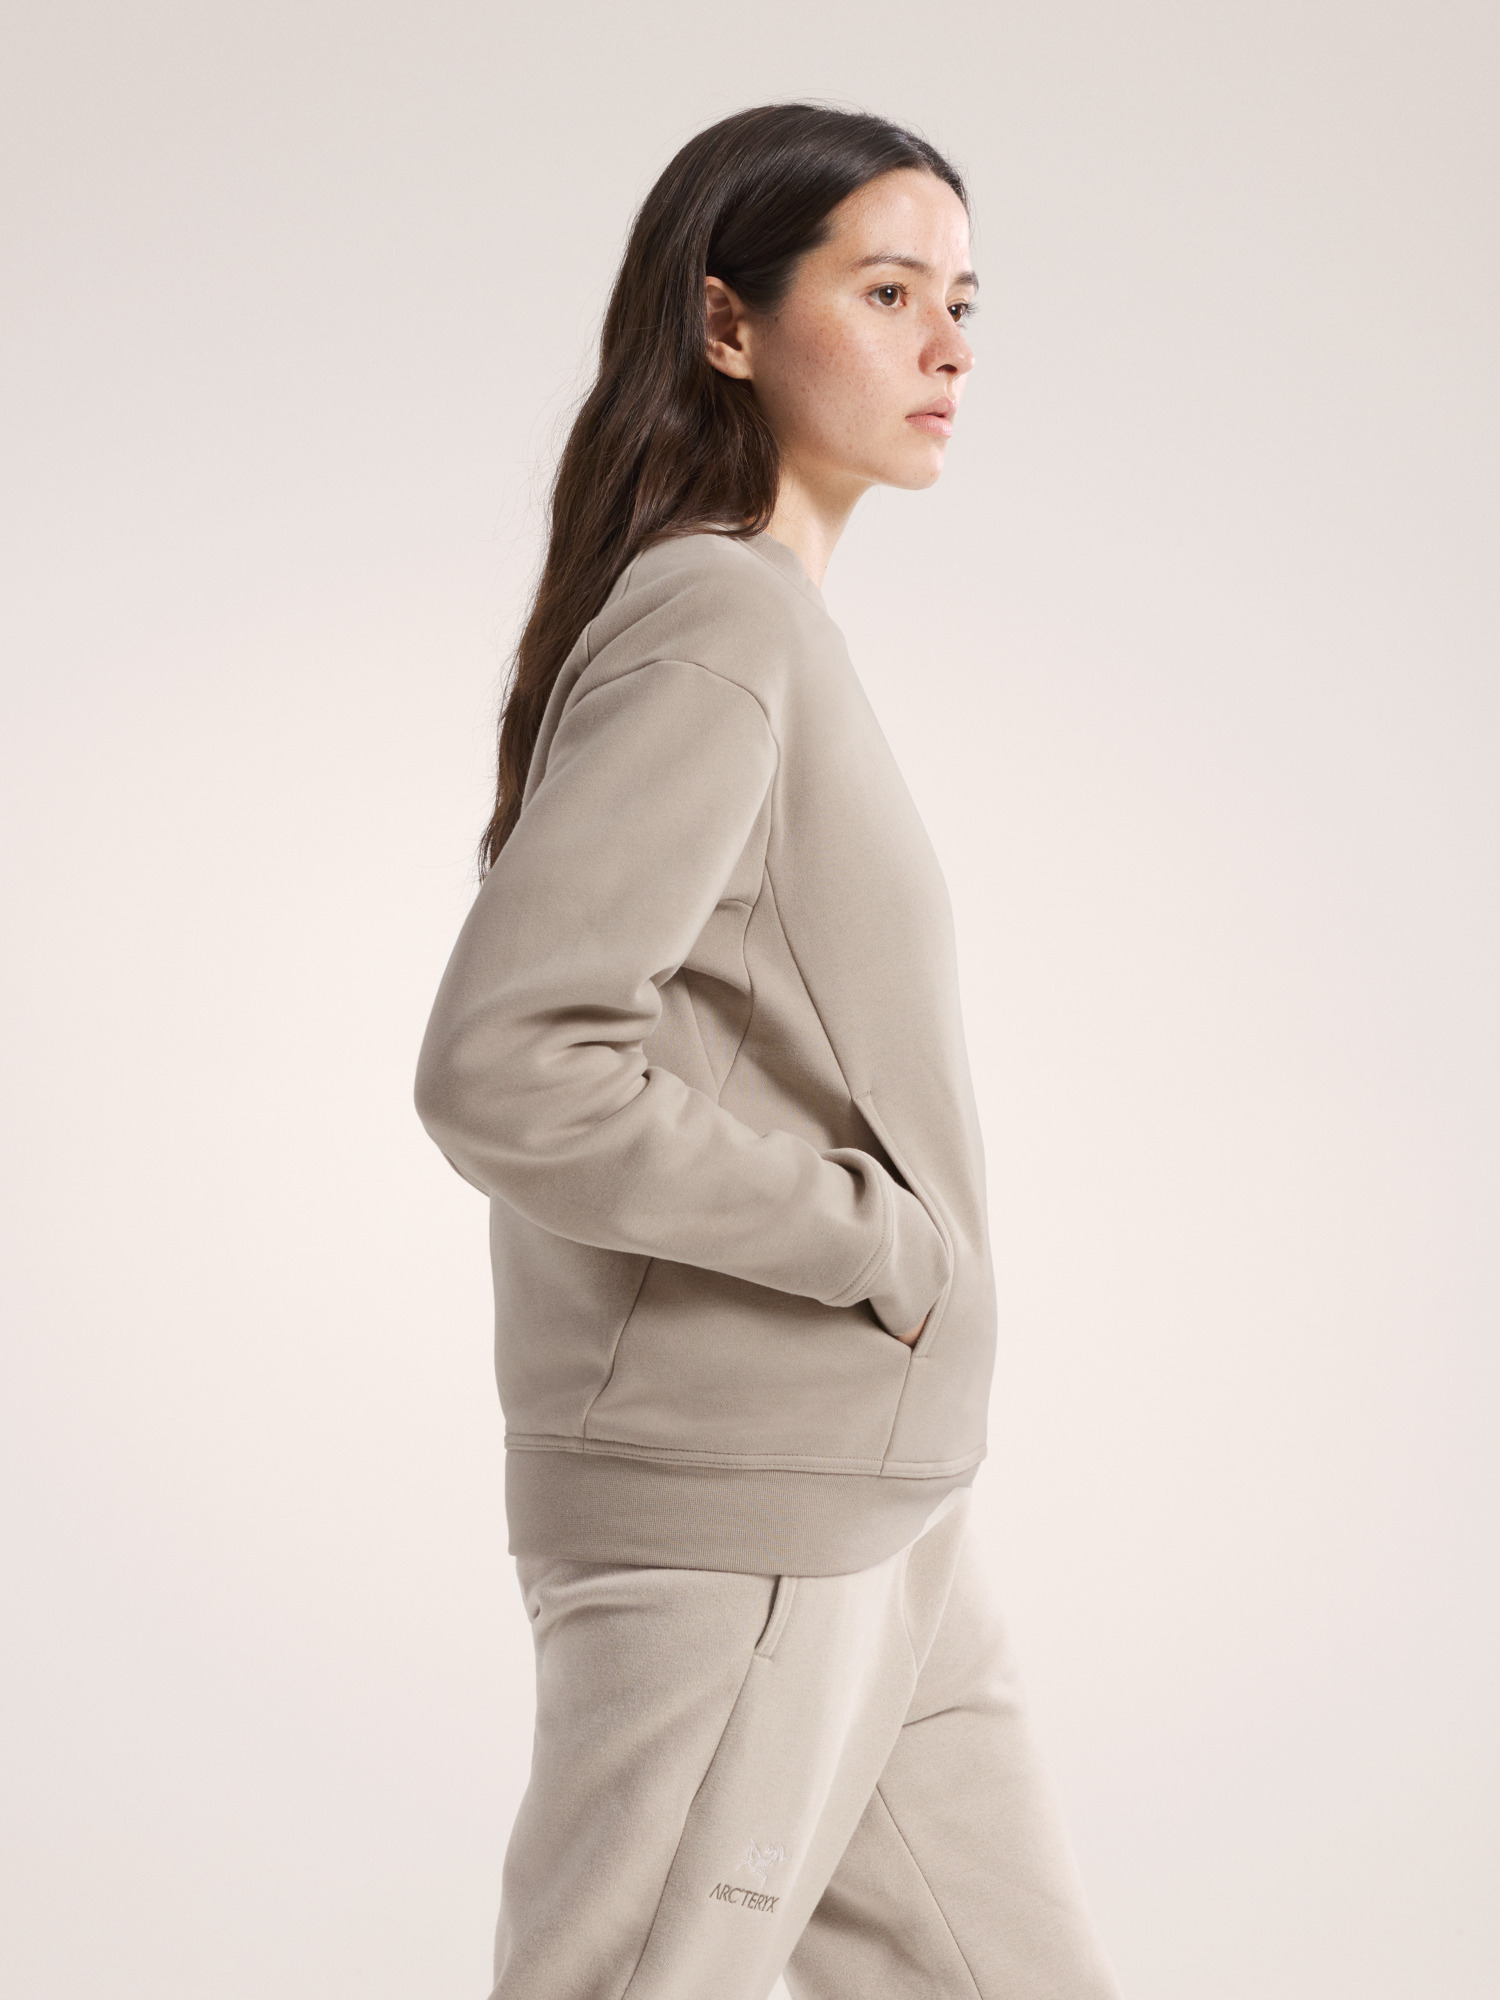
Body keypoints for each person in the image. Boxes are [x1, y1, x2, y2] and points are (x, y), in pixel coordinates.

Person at [414, 100, 1124, 2000]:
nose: (947, 345)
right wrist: (873, 1245)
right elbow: (510, 1063)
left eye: (962, 300)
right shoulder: (715, 622)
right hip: (741, 1515)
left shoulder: (767, 627)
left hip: (875, 1499)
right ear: (726, 323)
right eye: (887, 293)